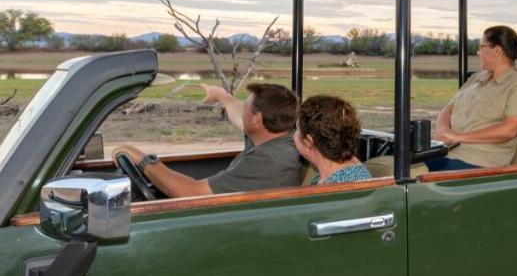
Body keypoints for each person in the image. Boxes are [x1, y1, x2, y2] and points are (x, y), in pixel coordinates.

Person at [112, 82, 303, 197]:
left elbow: (190, 193)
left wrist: (142, 159)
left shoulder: (268, 161)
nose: (242, 111)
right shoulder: (279, 138)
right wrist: (222, 95)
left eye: (246, 107)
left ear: (257, 118)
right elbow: (237, 113)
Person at [430, 25, 517, 171]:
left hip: (474, 161)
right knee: (395, 141)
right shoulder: (476, 78)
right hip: (445, 150)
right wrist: (443, 131)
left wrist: (458, 137)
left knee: (401, 165)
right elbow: (449, 108)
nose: (478, 52)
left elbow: (509, 130)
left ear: (497, 51)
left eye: (481, 47)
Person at [294, 95, 373, 185]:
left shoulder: (335, 189)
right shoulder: (349, 169)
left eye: (297, 129)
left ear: (308, 141)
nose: (294, 134)